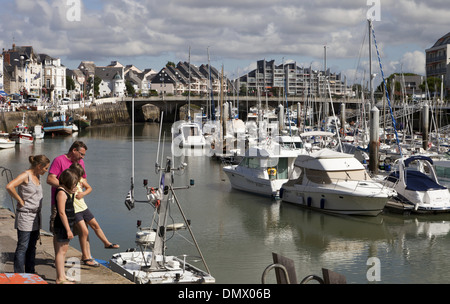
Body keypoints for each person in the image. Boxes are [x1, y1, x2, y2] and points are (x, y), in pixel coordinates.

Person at [6, 155, 50, 274]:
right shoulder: (26, 175)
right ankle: (19, 274)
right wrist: (19, 200)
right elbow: (10, 186)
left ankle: (30, 272)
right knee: (23, 247)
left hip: (36, 216)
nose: (47, 171)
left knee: (32, 247)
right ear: (39, 166)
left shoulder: (38, 176)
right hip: (25, 215)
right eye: (45, 168)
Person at [69, 163, 119, 267]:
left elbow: (89, 188)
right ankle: (86, 257)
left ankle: (106, 243)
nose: (80, 178)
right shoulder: (68, 182)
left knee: (96, 226)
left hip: (84, 208)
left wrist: (83, 193)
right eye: (79, 176)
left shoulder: (80, 180)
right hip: (75, 211)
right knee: (84, 231)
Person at [53, 168, 78, 284]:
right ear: (67, 182)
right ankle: (60, 278)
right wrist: (68, 229)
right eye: (73, 183)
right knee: (61, 252)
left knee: (63, 252)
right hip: (63, 226)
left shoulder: (66, 191)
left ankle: (62, 275)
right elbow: (62, 212)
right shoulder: (62, 193)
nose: (75, 185)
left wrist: (72, 192)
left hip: (66, 224)